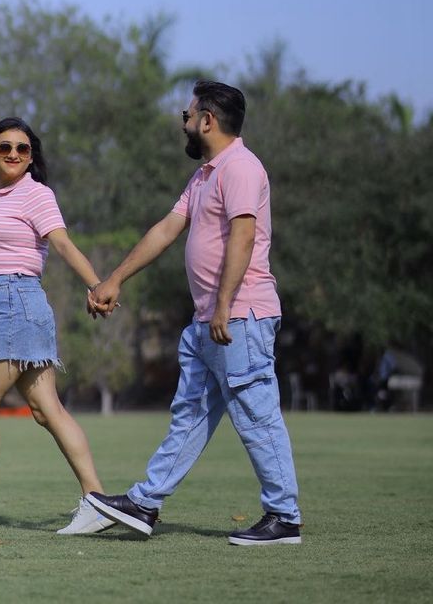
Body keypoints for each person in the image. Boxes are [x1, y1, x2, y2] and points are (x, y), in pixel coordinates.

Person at [87, 81, 302, 545]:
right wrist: (115, 278)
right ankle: (146, 503)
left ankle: (284, 517)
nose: (183, 123)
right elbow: (166, 230)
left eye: (187, 115)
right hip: (209, 321)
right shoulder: (205, 175)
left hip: (239, 318)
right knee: (190, 415)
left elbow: (243, 237)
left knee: (257, 415)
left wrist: (224, 304)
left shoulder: (241, 167)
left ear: (208, 120)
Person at [0, 117, 114, 539]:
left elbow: (62, 242)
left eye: (23, 149)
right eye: (5, 146)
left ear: (32, 158)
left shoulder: (35, 194)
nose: (14, 153)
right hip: (7, 310)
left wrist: (97, 286)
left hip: (17, 304)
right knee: (47, 409)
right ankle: (98, 502)